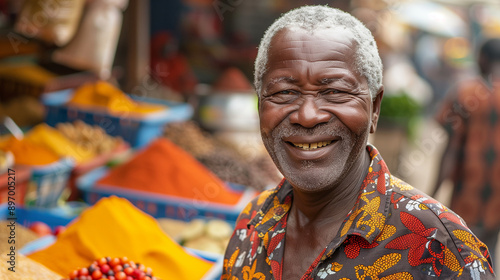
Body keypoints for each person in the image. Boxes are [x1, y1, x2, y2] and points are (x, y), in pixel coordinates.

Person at [222, 6, 495, 279]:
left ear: (374, 109)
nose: (307, 116)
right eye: (284, 92)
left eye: (335, 92)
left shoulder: (440, 249)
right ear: (260, 107)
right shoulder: (252, 224)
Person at [433, 37, 500, 267]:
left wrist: (433, 194)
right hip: (496, 199)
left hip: (466, 194)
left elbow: (450, 148)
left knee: (461, 258)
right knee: (489, 253)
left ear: (482, 59)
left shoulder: (465, 93)